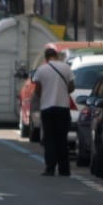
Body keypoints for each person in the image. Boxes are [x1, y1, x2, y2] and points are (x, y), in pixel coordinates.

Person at [31, 45, 74, 176]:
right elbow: (71, 87)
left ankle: (50, 168)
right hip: (63, 108)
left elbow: (37, 88)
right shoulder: (66, 68)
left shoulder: (42, 69)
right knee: (62, 139)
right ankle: (64, 169)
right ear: (56, 56)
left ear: (46, 58)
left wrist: (45, 95)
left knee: (49, 139)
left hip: (47, 108)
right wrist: (62, 92)